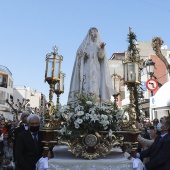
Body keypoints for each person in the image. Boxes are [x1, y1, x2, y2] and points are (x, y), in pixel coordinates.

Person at [68, 27, 114, 105]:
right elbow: (78, 55)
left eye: (95, 34)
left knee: (96, 85)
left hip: (96, 68)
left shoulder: (98, 45)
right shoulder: (84, 45)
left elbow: (101, 56)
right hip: (86, 68)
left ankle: (96, 102)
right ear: (89, 34)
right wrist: (83, 56)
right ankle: (85, 101)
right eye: (92, 33)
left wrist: (102, 49)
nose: (94, 35)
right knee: (86, 84)